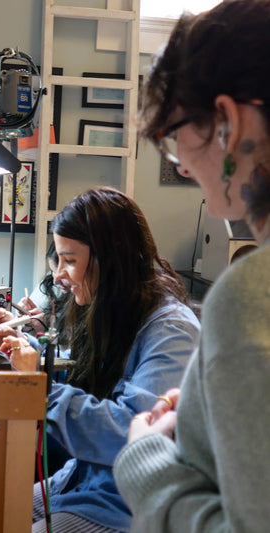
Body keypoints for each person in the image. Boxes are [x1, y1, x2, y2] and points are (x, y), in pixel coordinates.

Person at [112, 2, 270, 532]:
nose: (179, 163)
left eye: (176, 133)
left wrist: (143, 461)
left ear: (230, 121)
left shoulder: (251, 297)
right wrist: (206, 413)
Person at [0, 186, 200, 533]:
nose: (58, 275)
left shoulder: (172, 331)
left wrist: (42, 390)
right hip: (84, 480)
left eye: (70, 260)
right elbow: (85, 372)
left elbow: (130, 435)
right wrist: (29, 352)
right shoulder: (116, 308)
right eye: (59, 259)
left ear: (109, 260)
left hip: (126, 504)